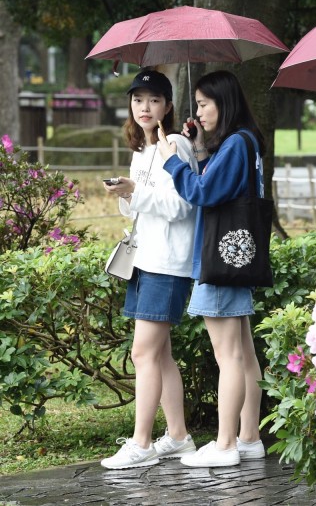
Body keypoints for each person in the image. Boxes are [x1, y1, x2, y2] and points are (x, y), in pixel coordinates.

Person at [157, 70, 266, 468]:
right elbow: (218, 185)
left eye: (204, 104)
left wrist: (174, 162)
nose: (198, 111)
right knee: (245, 355)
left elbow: (201, 192)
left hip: (219, 261)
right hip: (236, 256)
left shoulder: (236, 144)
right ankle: (249, 438)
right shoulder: (246, 142)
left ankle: (225, 445)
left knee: (230, 358)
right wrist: (201, 150)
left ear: (224, 102)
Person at [100, 69, 200, 470]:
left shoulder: (173, 143)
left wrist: (135, 192)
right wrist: (126, 192)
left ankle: (141, 444)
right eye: (138, 99)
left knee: (143, 353)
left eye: (154, 100)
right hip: (145, 257)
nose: (145, 107)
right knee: (160, 357)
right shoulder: (141, 148)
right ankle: (178, 436)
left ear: (168, 107)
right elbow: (138, 206)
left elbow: (182, 206)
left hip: (167, 262)